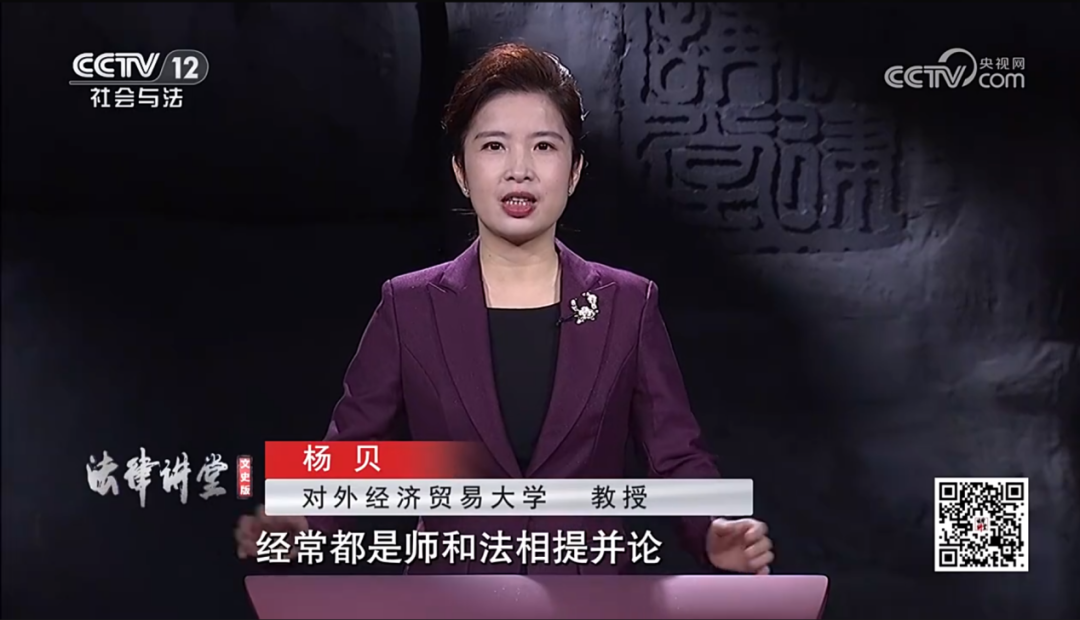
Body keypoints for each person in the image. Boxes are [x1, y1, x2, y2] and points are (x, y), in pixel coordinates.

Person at [235, 42, 774, 576]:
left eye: (544, 147)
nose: (520, 170)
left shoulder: (628, 305)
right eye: (494, 146)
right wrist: (302, 520)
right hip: (450, 600)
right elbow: (353, 454)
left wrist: (712, 527)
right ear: (461, 171)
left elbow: (675, 455)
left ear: (574, 170)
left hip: (589, 599)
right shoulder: (408, 306)